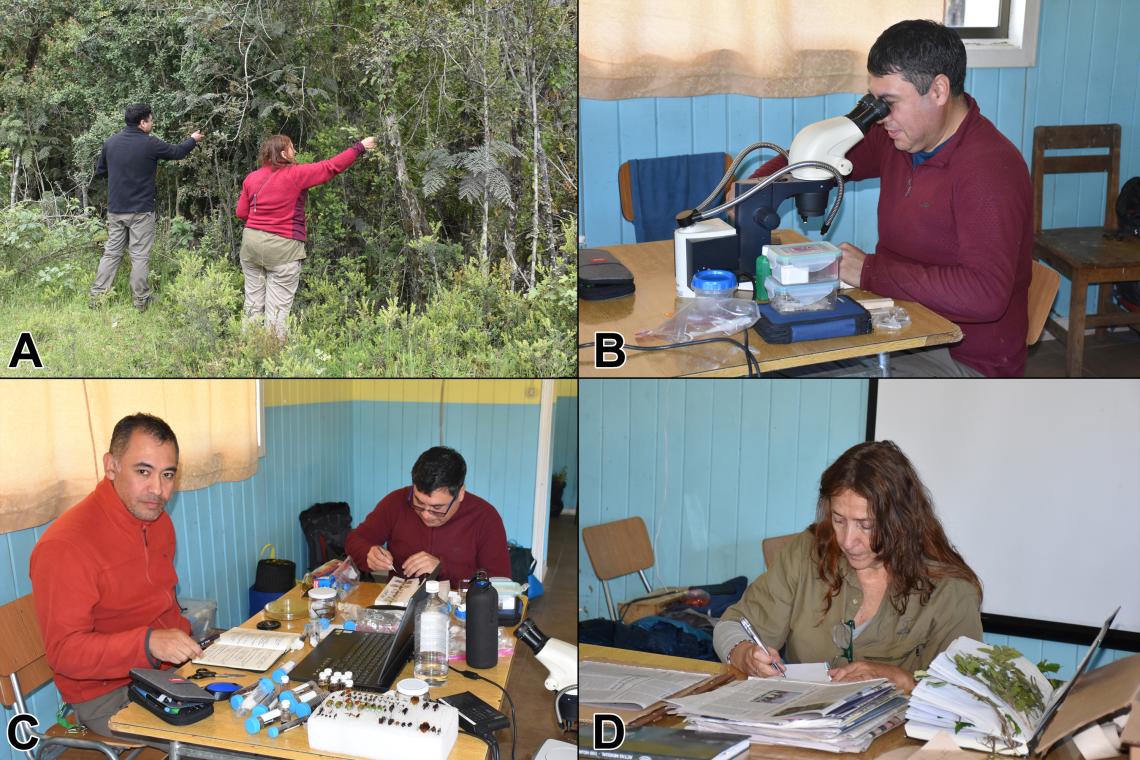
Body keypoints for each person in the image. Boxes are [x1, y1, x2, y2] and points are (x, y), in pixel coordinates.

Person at [754, 20, 1033, 377]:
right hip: (898, 325)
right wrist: (757, 184)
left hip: (960, 358)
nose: (882, 117)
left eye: (889, 103)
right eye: (875, 102)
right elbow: (822, 155)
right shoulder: (900, 139)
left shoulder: (990, 170)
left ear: (938, 90)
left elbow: (985, 295)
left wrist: (869, 271)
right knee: (768, 355)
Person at [712, 441, 983, 694]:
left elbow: (966, 696)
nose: (847, 541)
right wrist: (744, 654)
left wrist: (903, 680)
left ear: (901, 521)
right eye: (839, 520)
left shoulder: (950, 592)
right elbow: (731, 625)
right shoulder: (808, 553)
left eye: (866, 525)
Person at [28, 413, 202, 737]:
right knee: (223, 741)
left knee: (261, 695)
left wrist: (198, 647)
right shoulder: (66, 546)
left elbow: (163, 605)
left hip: (163, 673)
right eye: (143, 471)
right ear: (111, 466)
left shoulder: (158, 522)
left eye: (168, 475)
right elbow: (65, 653)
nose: (158, 490)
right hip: (105, 697)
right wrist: (149, 644)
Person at [235, 134, 377, 338]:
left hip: (250, 246)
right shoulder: (296, 174)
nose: (295, 152)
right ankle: (272, 360)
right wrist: (359, 147)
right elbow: (331, 167)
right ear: (283, 153)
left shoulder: (251, 178)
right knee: (277, 312)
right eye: (292, 148)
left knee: (253, 305)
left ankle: (248, 353)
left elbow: (241, 213)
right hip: (283, 249)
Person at [90, 104, 204, 312]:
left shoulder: (111, 143)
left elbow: (101, 172)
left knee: (111, 253)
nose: (152, 123)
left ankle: (97, 298)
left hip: (116, 209)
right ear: (142, 123)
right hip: (141, 211)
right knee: (139, 256)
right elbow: (178, 152)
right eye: (150, 120)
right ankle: (141, 301)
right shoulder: (150, 144)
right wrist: (193, 140)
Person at [345, 446, 512, 584]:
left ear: (460, 493)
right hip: (400, 607)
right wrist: (368, 553)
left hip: (461, 611)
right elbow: (354, 540)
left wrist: (442, 568)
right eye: (418, 502)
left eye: (437, 508)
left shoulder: (485, 517)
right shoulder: (396, 502)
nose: (426, 515)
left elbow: (500, 582)